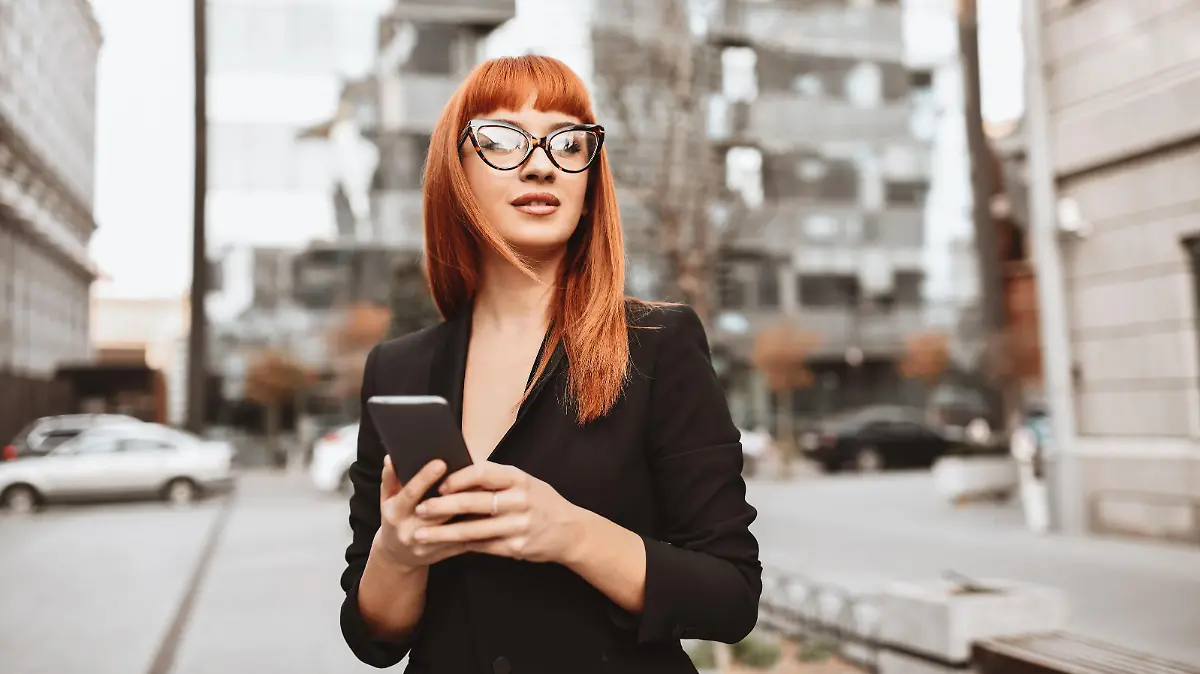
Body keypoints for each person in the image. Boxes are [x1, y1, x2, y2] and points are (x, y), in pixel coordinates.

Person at [340, 54, 761, 674]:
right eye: (503, 140)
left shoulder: (657, 343)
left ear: (590, 181)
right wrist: (400, 551)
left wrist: (570, 534)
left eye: (569, 141)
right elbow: (375, 635)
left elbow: (731, 597)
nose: (541, 162)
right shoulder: (397, 369)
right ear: (454, 175)